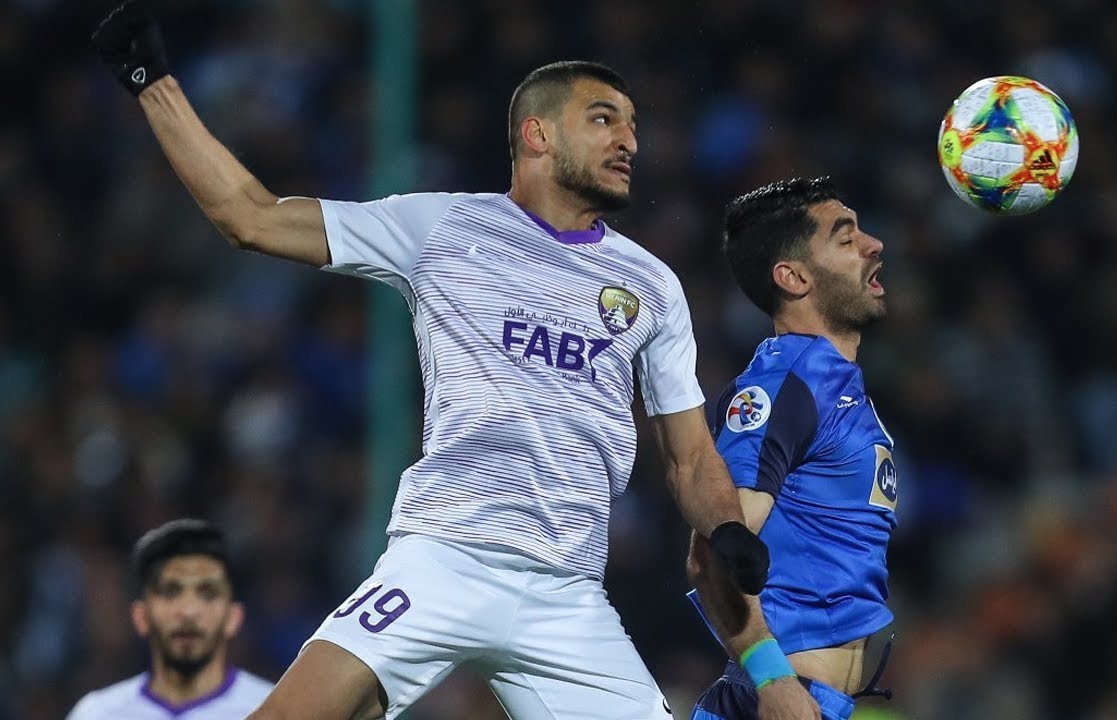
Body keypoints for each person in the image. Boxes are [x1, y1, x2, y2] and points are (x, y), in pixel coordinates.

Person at [91, 3, 776, 719]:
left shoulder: (652, 285)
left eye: (634, 124)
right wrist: (153, 83)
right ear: (537, 134)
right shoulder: (442, 227)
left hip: (569, 594)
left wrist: (726, 527)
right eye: (605, 119)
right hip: (445, 557)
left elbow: (691, 460)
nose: (630, 139)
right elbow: (251, 217)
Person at [686, 177, 898, 720]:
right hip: (782, 699)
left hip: (815, 699)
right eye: (846, 239)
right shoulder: (785, 386)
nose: (874, 245)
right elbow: (712, 551)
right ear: (794, 277)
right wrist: (771, 678)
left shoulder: (829, 383)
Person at [67, 519, 274, 719]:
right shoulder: (96, 714)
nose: (188, 611)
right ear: (141, 617)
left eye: (208, 593)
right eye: (170, 592)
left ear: (233, 618)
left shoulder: (274, 710)